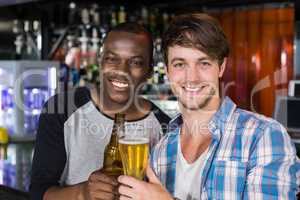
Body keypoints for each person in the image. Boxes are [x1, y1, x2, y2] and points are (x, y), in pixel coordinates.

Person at [118, 13, 300, 200]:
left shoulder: (264, 136)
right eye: (180, 64)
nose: (192, 77)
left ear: (221, 67)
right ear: (167, 71)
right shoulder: (161, 149)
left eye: (203, 63)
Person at [30, 22, 171, 200]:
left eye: (135, 62)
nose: (122, 71)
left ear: (149, 70)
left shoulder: (165, 127)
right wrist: (82, 193)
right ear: (100, 60)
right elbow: (38, 192)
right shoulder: (61, 110)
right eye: (112, 59)